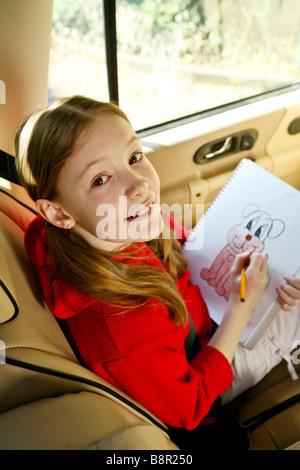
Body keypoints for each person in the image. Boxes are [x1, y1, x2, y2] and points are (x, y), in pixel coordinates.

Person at [15, 96, 300, 447]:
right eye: (100, 179)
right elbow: (191, 405)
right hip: (209, 367)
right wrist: (242, 305)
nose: (139, 185)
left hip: (204, 311)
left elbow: (178, 241)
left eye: (135, 157)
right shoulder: (123, 326)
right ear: (58, 214)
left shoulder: (111, 227)